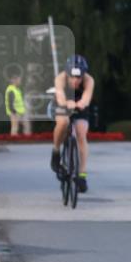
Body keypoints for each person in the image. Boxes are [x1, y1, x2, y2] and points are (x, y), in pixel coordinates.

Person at [50, 55, 95, 192]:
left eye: (79, 77)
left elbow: (86, 98)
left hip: (79, 103)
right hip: (62, 102)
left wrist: (82, 103)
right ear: (67, 73)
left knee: (81, 133)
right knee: (63, 121)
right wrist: (66, 103)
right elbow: (60, 97)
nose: (76, 80)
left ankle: (82, 175)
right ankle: (56, 151)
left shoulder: (89, 80)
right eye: (72, 77)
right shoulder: (60, 78)